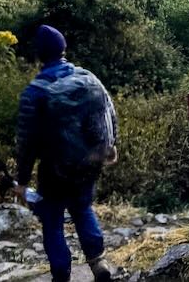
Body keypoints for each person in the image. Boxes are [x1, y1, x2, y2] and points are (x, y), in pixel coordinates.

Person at [15, 25, 118, 282]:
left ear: (39, 56)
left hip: (54, 171)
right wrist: (110, 146)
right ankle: (98, 263)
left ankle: (61, 274)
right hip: (89, 164)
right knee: (82, 209)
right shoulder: (89, 78)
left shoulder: (34, 92)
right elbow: (110, 112)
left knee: (52, 221)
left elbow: (26, 142)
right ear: (64, 49)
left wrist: (22, 180)